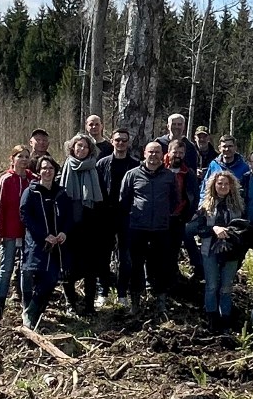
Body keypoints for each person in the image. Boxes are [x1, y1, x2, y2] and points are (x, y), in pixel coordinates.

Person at [120, 141, 178, 315]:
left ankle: (160, 301)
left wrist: (163, 215)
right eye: (150, 152)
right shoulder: (132, 175)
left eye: (157, 152)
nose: (153, 156)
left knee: (161, 266)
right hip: (137, 228)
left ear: (163, 155)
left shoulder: (169, 176)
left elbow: (174, 200)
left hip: (161, 229)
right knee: (136, 266)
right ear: (144, 153)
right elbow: (124, 200)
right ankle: (135, 302)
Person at [20, 156, 73, 329]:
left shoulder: (61, 193)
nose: (47, 171)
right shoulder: (31, 192)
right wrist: (44, 235)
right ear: (38, 171)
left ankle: (33, 311)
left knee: (51, 278)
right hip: (38, 243)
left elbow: (68, 215)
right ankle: (29, 311)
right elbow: (25, 215)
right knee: (39, 276)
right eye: (44, 168)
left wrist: (64, 232)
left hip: (58, 245)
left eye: (50, 168)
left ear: (55, 171)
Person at [194, 170, 249, 332]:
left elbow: (244, 227)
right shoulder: (206, 206)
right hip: (209, 250)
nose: (223, 186)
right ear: (214, 185)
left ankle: (225, 320)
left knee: (226, 287)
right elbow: (199, 228)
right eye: (220, 183)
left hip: (232, 252)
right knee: (211, 286)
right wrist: (214, 229)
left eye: (226, 184)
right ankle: (212, 320)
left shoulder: (239, 206)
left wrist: (232, 232)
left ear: (231, 186)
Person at [0, 145, 36, 325]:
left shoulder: (33, 179)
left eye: (26, 157)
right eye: (20, 157)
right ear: (13, 159)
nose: (23, 160)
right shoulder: (6, 180)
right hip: (9, 232)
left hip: (28, 234)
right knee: (5, 270)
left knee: (27, 271)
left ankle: (27, 309)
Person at [59, 133, 105, 314]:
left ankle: (89, 305)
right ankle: (70, 303)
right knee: (68, 269)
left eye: (85, 147)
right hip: (69, 228)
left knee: (91, 270)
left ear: (90, 150)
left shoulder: (95, 169)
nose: (81, 149)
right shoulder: (65, 168)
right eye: (78, 146)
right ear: (72, 148)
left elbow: (102, 199)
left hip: (90, 227)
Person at [97, 129, 139, 308]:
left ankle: (122, 293)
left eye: (124, 141)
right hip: (106, 216)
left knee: (126, 257)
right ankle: (103, 292)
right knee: (103, 255)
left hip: (127, 216)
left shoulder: (136, 165)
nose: (120, 143)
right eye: (117, 140)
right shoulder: (102, 164)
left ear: (128, 143)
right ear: (112, 142)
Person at [165, 137, 202, 285]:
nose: (178, 155)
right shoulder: (160, 170)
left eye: (181, 152)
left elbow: (195, 196)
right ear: (168, 152)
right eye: (175, 152)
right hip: (160, 219)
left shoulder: (189, 173)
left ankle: (172, 282)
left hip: (178, 219)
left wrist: (187, 215)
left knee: (173, 252)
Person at [200, 134, 248, 199]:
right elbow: (205, 188)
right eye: (224, 146)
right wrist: (203, 204)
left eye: (230, 146)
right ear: (219, 148)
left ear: (235, 148)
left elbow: (248, 192)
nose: (227, 149)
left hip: (237, 206)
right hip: (215, 205)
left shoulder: (244, 167)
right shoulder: (214, 165)